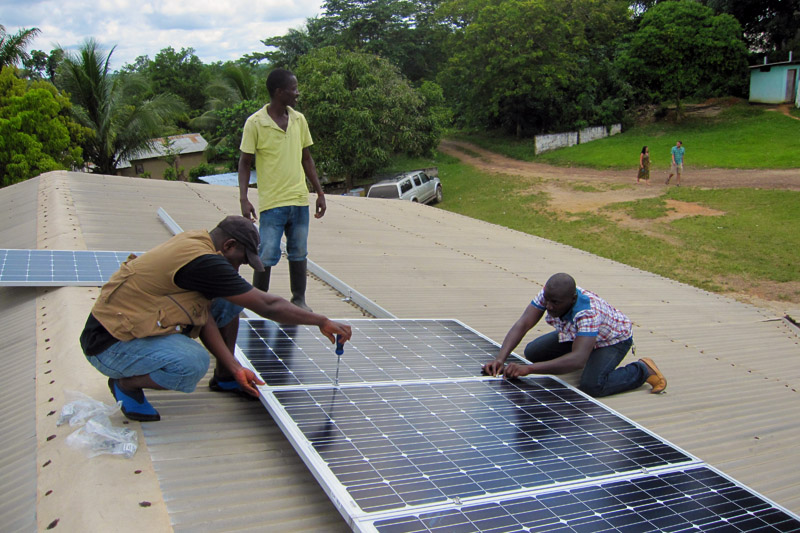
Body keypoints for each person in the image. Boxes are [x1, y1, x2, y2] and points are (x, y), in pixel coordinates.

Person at [79, 216, 352, 422]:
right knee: (192, 363)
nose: (238, 267)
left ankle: (224, 377)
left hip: (131, 325)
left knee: (231, 298)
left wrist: (233, 367)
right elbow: (268, 306)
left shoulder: (200, 241)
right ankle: (125, 383)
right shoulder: (205, 261)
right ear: (229, 244)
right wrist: (321, 321)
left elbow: (204, 313)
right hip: (108, 344)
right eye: (240, 260)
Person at [482, 273, 666, 398]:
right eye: (547, 301)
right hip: (578, 335)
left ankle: (643, 370)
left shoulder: (588, 312)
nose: (550, 307)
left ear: (573, 299)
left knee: (592, 386)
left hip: (612, 340)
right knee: (533, 352)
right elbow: (523, 323)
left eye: (555, 303)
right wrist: (500, 358)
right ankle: (589, 353)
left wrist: (528, 370)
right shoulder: (549, 294)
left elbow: (578, 360)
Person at [238, 68, 325, 312]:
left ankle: (299, 300)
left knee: (299, 251)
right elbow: (245, 163)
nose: (297, 93)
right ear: (279, 92)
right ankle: (259, 303)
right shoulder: (255, 123)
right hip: (272, 203)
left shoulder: (299, 120)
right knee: (266, 254)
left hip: (298, 200)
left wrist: (319, 192)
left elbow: (306, 158)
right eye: (293, 89)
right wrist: (243, 198)